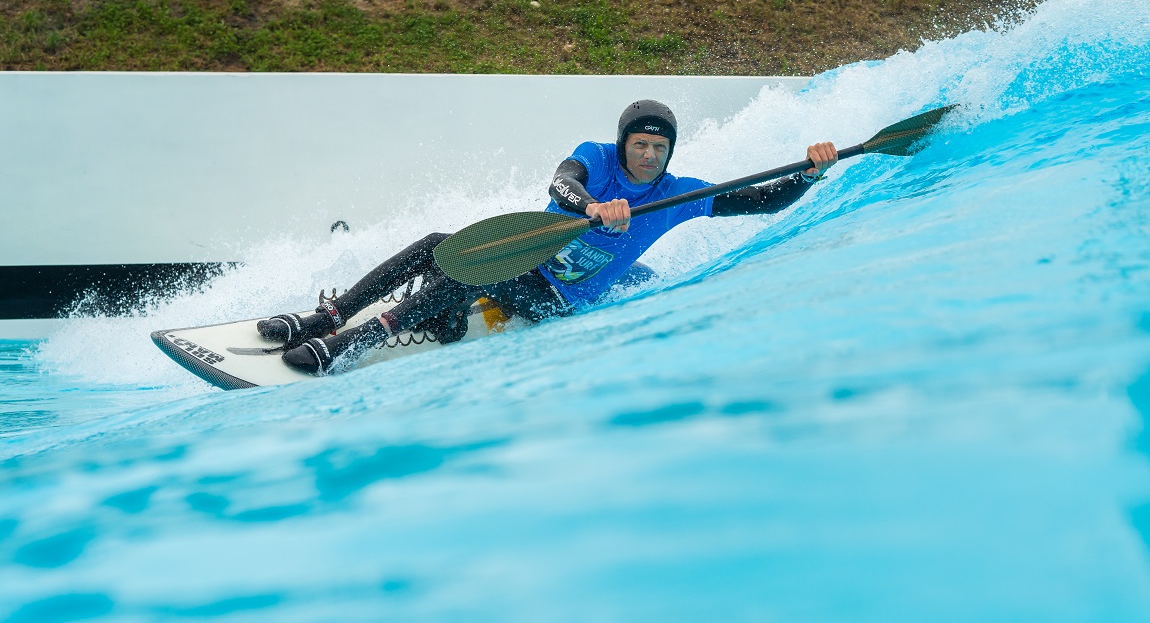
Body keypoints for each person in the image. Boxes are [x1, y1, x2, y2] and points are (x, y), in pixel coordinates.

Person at [259, 100, 838, 372]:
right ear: (623, 142)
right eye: (640, 143)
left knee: (472, 268)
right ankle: (330, 318)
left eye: (660, 147)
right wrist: (593, 206)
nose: (649, 154)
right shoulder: (594, 157)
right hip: (523, 255)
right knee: (440, 241)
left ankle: (357, 342)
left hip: (557, 299)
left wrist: (810, 173)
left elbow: (762, 202)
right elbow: (562, 184)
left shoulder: (679, 193)